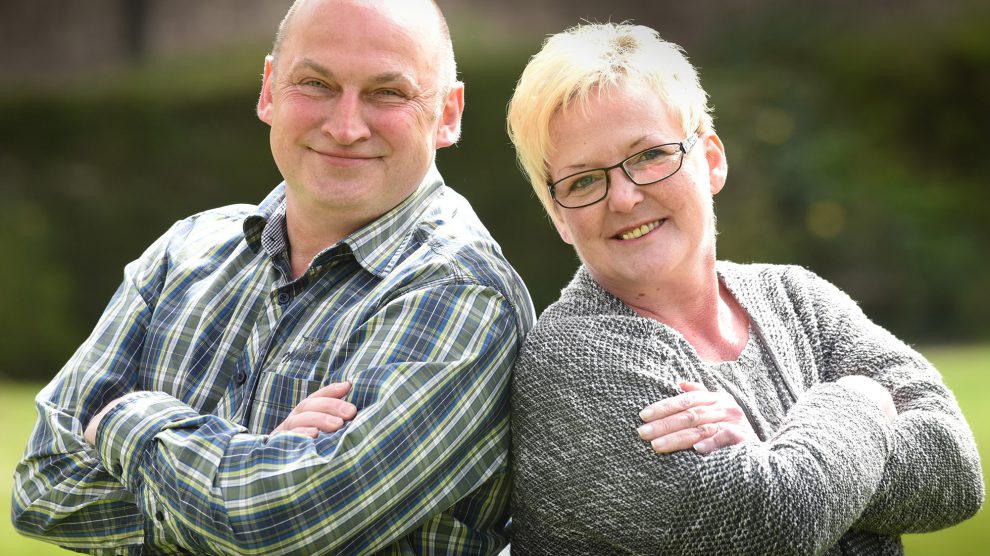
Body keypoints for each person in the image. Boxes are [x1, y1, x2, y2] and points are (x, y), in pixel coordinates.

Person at [12, 1, 534, 554]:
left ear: (448, 114)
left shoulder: (462, 295)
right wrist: (252, 469)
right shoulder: (186, 250)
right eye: (315, 83)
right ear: (268, 90)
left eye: (388, 93)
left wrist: (128, 417)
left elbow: (278, 529)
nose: (345, 125)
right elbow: (41, 487)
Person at [505, 22, 983, 555]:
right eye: (584, 180)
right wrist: (859, 397)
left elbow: (958, 473)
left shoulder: (798, 299)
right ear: (560, 219)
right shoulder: (575, 362)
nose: (623, 197)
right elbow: (773, 522)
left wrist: (784, 453)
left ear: (710, 160)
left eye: (649, 155)